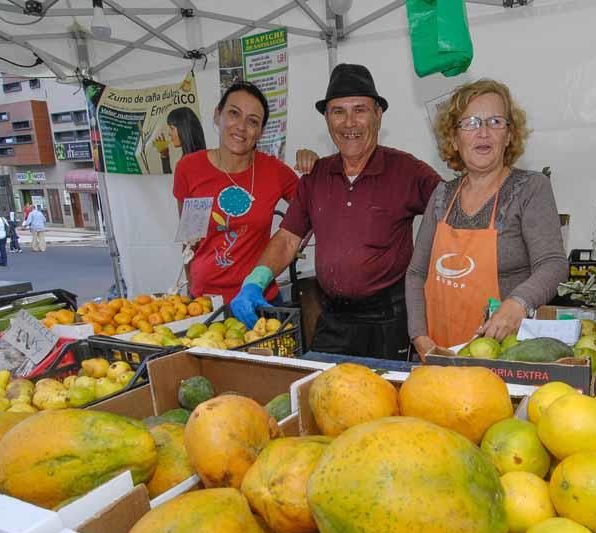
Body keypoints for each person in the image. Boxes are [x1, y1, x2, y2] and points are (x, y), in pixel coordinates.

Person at [230, 63, 442, 360]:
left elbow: (455, 215)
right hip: (333, 318)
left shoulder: (407, 170)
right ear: (327, 119)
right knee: (320, 394)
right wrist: (255, 281)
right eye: (338, 112)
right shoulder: (316, 175)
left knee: (386, 403)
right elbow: (288, 239)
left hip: (389, 321)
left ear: (378, 116)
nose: (349, 123)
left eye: (360, 110)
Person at [405, 79, 568, 359]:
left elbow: (552, 264)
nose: (483, 132)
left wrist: (518, 304)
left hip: (504, 355)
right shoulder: (442, 195)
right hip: (439, 353)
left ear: (509, 135)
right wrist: (420, 338)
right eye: (470, 123)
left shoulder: (530, 188)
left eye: (495, 122)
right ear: (454, 140)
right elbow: (416, 273)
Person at [172, 82, 303, 304]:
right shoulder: (189, 168)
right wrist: (191, 290)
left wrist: (314, 165)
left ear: (260, 132)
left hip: (260, 300)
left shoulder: (275, 171)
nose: (241, 127)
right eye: (234, 113)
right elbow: (189, 238)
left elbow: (314, 206)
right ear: (217, 115)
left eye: (252, 121)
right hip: (206, 302)